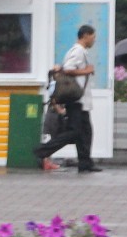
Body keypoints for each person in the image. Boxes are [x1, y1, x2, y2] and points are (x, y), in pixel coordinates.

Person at [36, 22, 100, 173]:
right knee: (75, 131)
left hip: (81, 100)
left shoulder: (81, 51)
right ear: (85, 36)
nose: (94, 40)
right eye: (93, 37)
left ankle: (85, 163)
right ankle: (41, 151)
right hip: (76, 99)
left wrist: (86, 71)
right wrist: (86, 71)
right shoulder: (78, 51)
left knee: (85, 132)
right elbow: (69, 69)